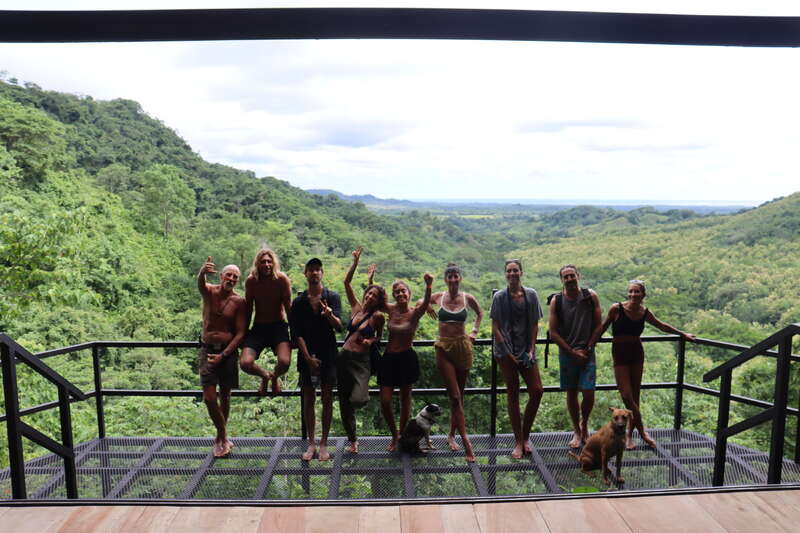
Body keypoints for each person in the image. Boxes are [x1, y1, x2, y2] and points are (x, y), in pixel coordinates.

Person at [590, 279, 696, 449]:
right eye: (631, 291)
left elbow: (662, 325)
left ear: (643, 295)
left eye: (637, 291)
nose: (633, 294)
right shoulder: (616, 309)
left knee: (635, 397)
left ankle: (630, 436)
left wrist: (682, 334)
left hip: (636, 353)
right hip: (620, 352)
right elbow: (602, 328)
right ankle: (643, 432)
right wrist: (589, 346)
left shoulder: (644, 312)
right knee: (626, 396)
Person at [369, 265, 434, 451]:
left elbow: (425, 303)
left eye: (403, 291)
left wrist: (428, 286)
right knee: (385, 400)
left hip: (406, 358)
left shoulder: (415, 313)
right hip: (388, 358)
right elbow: (375, 300)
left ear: (409, 293)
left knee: (406, 400)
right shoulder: (391, 309)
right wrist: (371, 281)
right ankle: (394, 433)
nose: (400, 294)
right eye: (396, 292)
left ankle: (402, 437)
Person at [490, 259, 545, 459]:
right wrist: (507, 351)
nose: (512, 274)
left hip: (525, 350)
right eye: (509, 271)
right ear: (505, 274)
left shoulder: (531, 295)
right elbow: (495, 326)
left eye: (516, 270)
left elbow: (534, 325)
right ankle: (518, 441)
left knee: (537, 391)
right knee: (512, 394)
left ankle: (526, 435)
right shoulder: (499, 297)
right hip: (505, 352)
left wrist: (531, 350)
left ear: (521, 272)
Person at [289, 258, 343, 461]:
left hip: (328, 353)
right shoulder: (299, 302)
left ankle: (324, 444)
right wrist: (307, 358)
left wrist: (329, 314)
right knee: (309, 398)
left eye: (317, 270)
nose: (314, 273)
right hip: (306, 355)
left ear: (322, 273)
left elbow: (339, 326)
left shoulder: (332, 297)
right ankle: (311, 443)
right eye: (311, 270)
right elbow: (296, 333)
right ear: (305, 273)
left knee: (328, 398)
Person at [431, 263, 483, 462]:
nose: (453, 279)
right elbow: (420, 301)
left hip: (462, 346)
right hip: (443, 347)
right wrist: (427, 305)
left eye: (456, 276)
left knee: (459, 397)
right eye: (450, 276)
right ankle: (467, 443)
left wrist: (475, 331)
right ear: (446, 279)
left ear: (460, 278)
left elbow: (480, 313)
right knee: (454, 396)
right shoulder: (439, 296)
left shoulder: (468, 298)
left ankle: (451, 435)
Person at [548, 264, 603, 449]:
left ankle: (584, 424)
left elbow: (598, 326)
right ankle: (577, 431)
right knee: (571, 392)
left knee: (588, 392)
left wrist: (587, 349)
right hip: (567, 352)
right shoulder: (557, 300)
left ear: (578, 275)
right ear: (561, 280)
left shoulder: (590, 296)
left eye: (572, 275)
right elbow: (553, 332)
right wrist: (572, 352)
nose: (570, 279)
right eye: (566, 276)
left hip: (587, 352)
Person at [197, 256, 246, 457]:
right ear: (221, 275)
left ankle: (220, 439)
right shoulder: (209, 292)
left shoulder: (239, 301)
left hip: (227, 353)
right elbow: (200, 284)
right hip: (207, 350)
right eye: (229, 275)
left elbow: (241, 333)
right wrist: (202, 272)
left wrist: (225, 354)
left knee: (225, 395)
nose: (232, 279)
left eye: (235, 277)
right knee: (209, 398)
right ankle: (223, 434)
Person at [338, 247, 386, 453]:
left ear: (378, 301)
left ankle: (355, 416)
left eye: (374, 296)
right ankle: (353, 441)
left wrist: (371, 340)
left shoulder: (378, 317)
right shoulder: (357, 308)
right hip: (344, 358)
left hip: (361, 361)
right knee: (343, 403)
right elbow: (347, 283)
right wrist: (355, 263)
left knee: (358, 398)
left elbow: (380, 337)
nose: (369, 297)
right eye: (369, 293)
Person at [240, 248, 292, 396]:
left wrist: (295, 334)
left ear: (274, 263)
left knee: (284, 362)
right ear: (258, 264)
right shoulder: (252, 281)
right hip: (259, 328)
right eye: (263, 262)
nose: (267, 265)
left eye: (269, 261)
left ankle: (274, 377)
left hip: (278, 327)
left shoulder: (282, 279)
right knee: (245, 363)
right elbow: (249, 309)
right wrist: (243, 334)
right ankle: (265, 376)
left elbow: (289, 308)